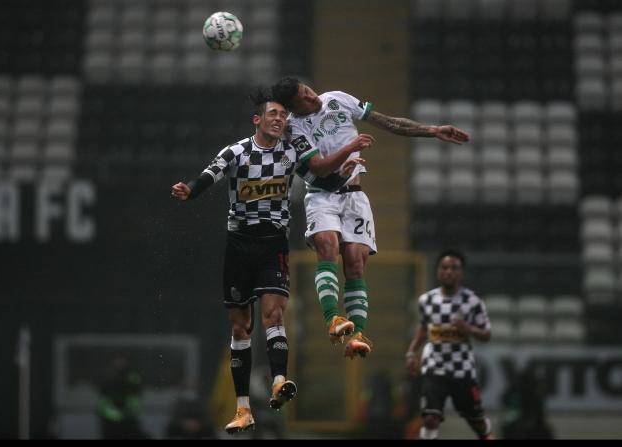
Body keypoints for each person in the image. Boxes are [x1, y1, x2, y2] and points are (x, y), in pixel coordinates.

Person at [170, 88, 364, 434]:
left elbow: (321, 180)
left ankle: (278, 381)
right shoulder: (237, 152)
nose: (280, 119)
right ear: (257, 120)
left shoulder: (292, 152)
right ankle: (243, 408)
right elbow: (209, 176)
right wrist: (189, 190)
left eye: (283, 115)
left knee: (275, 313)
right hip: (239, 244)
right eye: (273, 114)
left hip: (273, 244)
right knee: (240, 326)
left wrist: (343, 171)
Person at [272, 77, 470, 359]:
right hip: (321, 196)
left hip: (355, 196)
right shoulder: (294, 127)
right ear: (293, 107)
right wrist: (349, 149)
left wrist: (432, 130)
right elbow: (319, 167)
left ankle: (358, 335)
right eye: (303, 99)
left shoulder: (337, 99)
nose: (312, 97)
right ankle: (333, 319)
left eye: (309, 90)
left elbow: (387, 121)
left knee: (355, 262)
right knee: (328, 247)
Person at [404, 249, 493, 440]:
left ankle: (486, 435)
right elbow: (423, 328)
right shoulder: (427, 300)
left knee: (476, 421)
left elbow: (486, 334)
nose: (449, 272)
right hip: (434, 369)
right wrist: (411, 352)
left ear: (461, 273)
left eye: (454, 268)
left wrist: (467, 328)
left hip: (462, 370)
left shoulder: (472, 301)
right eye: (444, 267)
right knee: (430, 418)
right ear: (438, 271)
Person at [97, 354, 148, 439]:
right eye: (118, 361)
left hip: (128, 416)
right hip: (110, 417)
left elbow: (137, 390)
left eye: (122, 361)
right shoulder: (108, 376)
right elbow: (102, 392)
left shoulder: (132, 377)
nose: (120, 363)